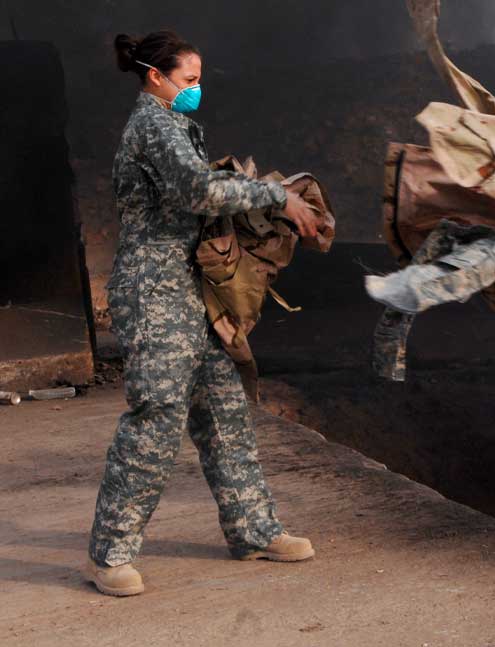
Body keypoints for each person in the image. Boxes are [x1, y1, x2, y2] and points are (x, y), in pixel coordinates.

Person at [85, 30, 320, 597]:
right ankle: (110, 554)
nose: (197, 88)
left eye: (199, 78)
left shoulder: (178, 123)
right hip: (155, 290)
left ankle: (253, 530)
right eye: (189, 79)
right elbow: (196, 190)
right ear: (155, 77)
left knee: (224, 411)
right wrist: (274, 196)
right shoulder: (152, 124)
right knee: (156, 419)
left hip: (193, 289)